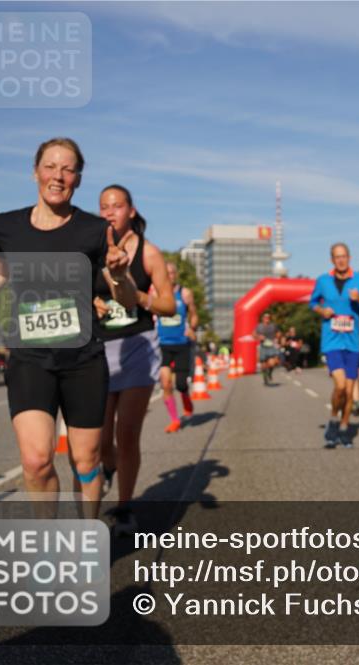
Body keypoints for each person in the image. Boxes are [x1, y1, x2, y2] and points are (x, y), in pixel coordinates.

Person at [0, 137, 135, 518]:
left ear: (78, 179)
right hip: (30, 355)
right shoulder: (3, 226)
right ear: (35, 171)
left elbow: (126, 299)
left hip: (82, 358)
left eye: (68, 169)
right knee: (35, 460)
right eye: (51, 166)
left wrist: (121, 275)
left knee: (85, 461)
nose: (58, 176)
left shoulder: (94, 230)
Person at [94, 184, 175, 535]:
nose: (110, 211)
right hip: (98, 350)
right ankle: (109, 467)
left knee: (127, 434)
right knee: (98, 440)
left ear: (131, 210)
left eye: (117, 205)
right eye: (104, 207)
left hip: (138, 347)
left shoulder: (149, 253)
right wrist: (92, 304)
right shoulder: (91, 251)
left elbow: (168, 305)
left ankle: (124, 507)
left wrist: (140, 296)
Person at [308, 243, 359, 448]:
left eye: (344, 256)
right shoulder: (323, 280)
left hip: (352, 343)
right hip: (332, 341)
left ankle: (344, 428)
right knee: (339, 385)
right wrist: (322, 311)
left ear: (349, 257)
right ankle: (333, 420)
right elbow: (312, 302)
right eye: (337, 257)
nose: (341, 260)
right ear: (332, 259)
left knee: (349, 389)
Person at [157, 261, 199, 433]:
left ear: (176, 275)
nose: (169, 276)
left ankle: (186, 397)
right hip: (162, 344)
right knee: (166, 383)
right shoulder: (155, 292)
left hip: (181, 344)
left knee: (181, 384)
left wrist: (192, 328)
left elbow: (194, 315)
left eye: (172, 273)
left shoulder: (185, 293)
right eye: (165, 273)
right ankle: (174, 419)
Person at [254, 312, 280, 385]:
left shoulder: (273, 326)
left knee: (273, 363)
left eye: (268, 318)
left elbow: (278, 333)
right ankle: (265, 376)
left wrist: (277, 338)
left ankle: (269, 373)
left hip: (271, 346)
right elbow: (253, 334)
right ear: (263, 319)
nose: (267, 319)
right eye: (265, 318)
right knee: (263, 365)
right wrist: (258, 337)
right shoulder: (259, 326)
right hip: (263, 346)